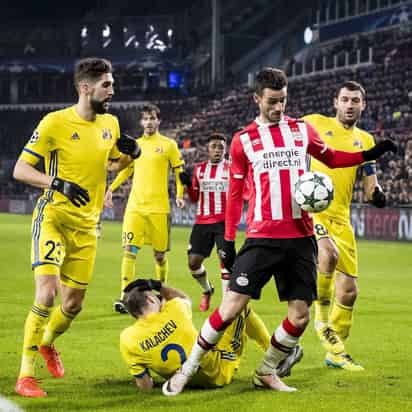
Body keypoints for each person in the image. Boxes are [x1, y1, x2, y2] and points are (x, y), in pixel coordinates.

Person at [162, 67, 397, 395]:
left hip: (301, 238)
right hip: (262, 237)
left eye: (283, 100)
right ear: (256, 98)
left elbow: (332, 157)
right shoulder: (243, 141)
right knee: (231, 307)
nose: (278, 108)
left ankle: (267, 370)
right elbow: (233, 195)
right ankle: (188, 368)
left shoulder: (301, 130)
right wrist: (228, 240)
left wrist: (369, 154)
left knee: (299, 316)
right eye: (272, 101)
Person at [13, 57, 141, 398]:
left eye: (112, 84)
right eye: (106, 85)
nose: (112, 91)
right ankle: (25, 374)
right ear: (85, 88)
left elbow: (113, 164)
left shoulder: (111, 124)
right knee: (47, 293)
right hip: (54, 216)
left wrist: (132, 154)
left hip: (87, 228)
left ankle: (47, 343)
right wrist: (57, 184)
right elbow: (21, 170)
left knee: (72, 305)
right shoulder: (55, 122)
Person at [299, 81, 389, 371]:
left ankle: (335, 350)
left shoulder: (365, 140)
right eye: (345, 99)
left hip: (342, 218)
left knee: (349, 291)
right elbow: (283, 135)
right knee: (328, 255)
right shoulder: (314, 123)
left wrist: (377, 196)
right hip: (314, 212)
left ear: (363, 105)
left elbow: (370, 185)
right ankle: (321, 321)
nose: (350, 105)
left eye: (355, 101)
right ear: (335, 102)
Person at [104, 104, 185, 314]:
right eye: (145, 119)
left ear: (159, 121)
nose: (149, 122)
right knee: (129, 251)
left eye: (152, 118)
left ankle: (162, 292)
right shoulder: (135, 146)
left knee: (159, 256)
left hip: (159, 209)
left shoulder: (169, 145)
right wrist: (110, 189)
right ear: (141, 122)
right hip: (135, 208)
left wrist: (179, 194)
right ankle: (124, 296)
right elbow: (125, 171)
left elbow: (178, 172)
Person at [119, 279, 270, 391]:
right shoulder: (174, 308)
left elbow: (145, 386)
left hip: (183, 383)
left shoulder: (128, 338)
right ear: (151, 299)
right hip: (219, 370)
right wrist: (158, 285)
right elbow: (183, 298)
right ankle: (274, 353)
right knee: (239, 306)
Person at [184, 133, 231, 311]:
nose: (218, 150)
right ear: (207, 149)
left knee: (225, 260)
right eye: (214, 146)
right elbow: (195, 197)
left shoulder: (231, 168)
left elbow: (243, 192)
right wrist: (189, 185)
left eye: (221, 147)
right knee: (193, 262)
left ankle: (227, 304)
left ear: (225, 150)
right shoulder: (199, 169)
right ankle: (207, 289)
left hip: (224, 222)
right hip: (202, 221)